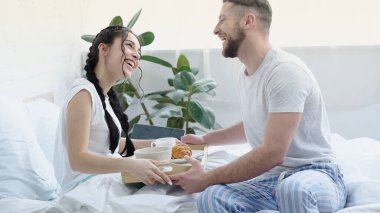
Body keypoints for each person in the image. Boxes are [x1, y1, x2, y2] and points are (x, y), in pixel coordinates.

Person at [169, 0, 347, 212]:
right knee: (212, 197)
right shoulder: (247, 75)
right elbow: (258, 124)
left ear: (248, 21)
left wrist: (206, 177)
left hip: (316, 174)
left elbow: (273, 152)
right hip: (271, 180)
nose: (215, 29)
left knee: (293, 190)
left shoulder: (284, 71)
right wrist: (206, 140)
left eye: (222, 20)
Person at [54, 25, 172, 194]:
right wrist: (130, 164)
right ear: (104, 49)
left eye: (139, 52)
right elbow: (77, 159)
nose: (136, 55)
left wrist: (159, 145)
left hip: (104, 181)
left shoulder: (104, 97)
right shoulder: (83, 93)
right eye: (129, 46)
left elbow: (111, 144)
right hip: (86, 190)